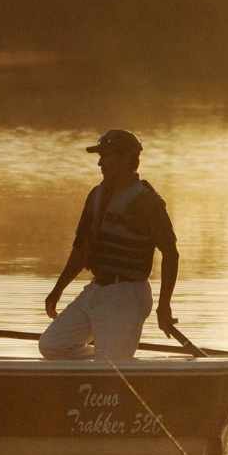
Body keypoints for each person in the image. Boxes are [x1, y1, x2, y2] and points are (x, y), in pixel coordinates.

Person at [40, 129, 192, 361]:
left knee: (111, 365)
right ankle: (110, 357)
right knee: (52, 346)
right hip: (97, 290)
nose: (100, 163)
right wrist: (57, 290)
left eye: (106, 156)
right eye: (100, 156)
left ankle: (117, 360)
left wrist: (164, 307)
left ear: (125, 160)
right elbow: (80, 251)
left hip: (127, 295)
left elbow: (171, 254)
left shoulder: (147, 202)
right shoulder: (96, 196)